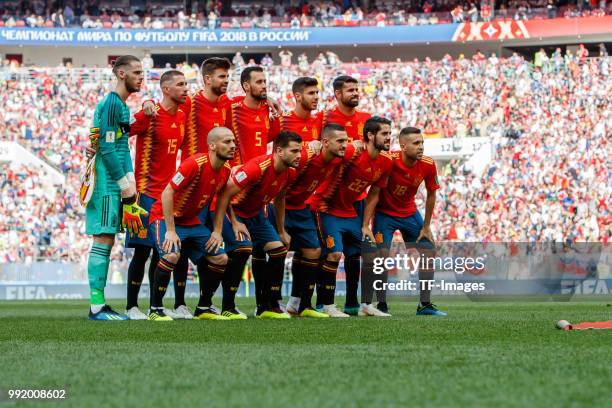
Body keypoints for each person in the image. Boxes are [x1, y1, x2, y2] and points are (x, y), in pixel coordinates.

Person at [147, 127, 235, 321]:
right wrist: (170, 230)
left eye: (233, 141)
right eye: (227, 142)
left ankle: (203, 307)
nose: (232, 146)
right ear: (212, 145)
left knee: (221, 258)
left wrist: (218, 231)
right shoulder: (194, 164)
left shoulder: (226, 170)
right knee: (171, 255)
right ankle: (155, 309)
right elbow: (167, 192)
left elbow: (221, 201)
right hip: (164, 218)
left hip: (192, 223)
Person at [273, 123, 361, 316]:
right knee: (277, 250)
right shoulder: (305, 156)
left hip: (303, 208)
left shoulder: (339, 156)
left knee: (314, 251)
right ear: (325, 142)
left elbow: (359, 146)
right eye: (340, 141)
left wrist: (359, 143)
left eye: (345, 141)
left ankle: (303, 305)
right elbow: (279, 188)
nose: (344, 145)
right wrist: (280, 227)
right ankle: (270, 303)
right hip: (282, 207)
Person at [212, 131, 302, 318]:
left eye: (299, 151)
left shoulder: (289, 173)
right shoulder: (256, 168)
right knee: (242, 250)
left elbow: (280, 199)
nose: (299, 155)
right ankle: (227, 306)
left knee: (279, 250)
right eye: (294, 151)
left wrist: (281, 230)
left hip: (257, 216)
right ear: (279, 151)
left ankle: (268, 305)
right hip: (235, 213)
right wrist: (229, 225)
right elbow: (225, 194)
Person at [309, 116, 393, 317]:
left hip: (352, 213)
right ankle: (327, 305)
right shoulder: (352, 151)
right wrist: (313, 144)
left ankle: (365, 304)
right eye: (385, 134)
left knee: (372, 255)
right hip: (326, 208)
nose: (389, 138)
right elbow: (326, 150)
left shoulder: (386, 162)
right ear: (370, 135)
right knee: (334, 254)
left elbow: (374, 194)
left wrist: (365, 225)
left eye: (390, 133)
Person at [123, 70, 189, 320]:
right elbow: (122, 132)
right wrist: (144, 105)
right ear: (166, 89)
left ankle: (155, 307)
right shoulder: (149, 115)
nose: (185, 89)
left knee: (163, 252)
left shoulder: (182, 116)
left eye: (187, 84)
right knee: (142, 252)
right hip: (143, 195)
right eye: (180, 85)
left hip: (167, 197)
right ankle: (131, 307)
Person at [85, 55, 145, 320]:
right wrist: (124, 184)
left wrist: (130, 180)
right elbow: (107, 149)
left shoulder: (119, 105)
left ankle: (99, 304)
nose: (141, 77)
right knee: (103, 238)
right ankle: (96, 306)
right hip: (107, 183)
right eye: (137, 72)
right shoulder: (111, 103)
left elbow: (120, 147)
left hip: (116, 180)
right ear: (121, 74)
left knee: (108, 239)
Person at [364, 127, 446, 316]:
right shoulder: (388, 160)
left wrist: (426, 227)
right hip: (385, 214)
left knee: (429, 251)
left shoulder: (427, 164)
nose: (421, 147)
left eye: (422, 143)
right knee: (381, 256)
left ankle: (424, 305)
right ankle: (381, 304)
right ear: (403, 146)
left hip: (409, 212)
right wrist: (366, 224)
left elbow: (431, 194)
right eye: (416, 143)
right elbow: (374, 192)